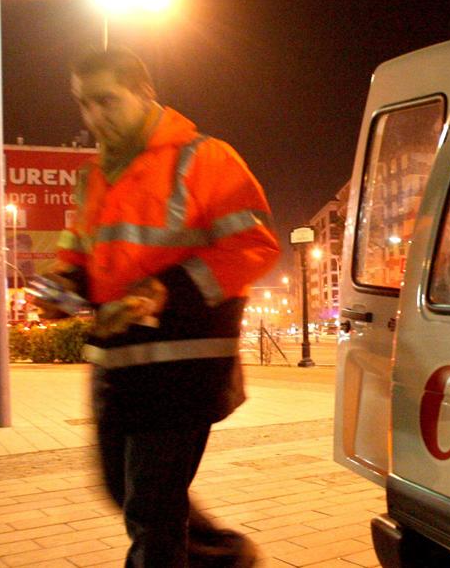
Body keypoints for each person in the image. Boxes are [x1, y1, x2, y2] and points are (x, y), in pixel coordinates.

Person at [43, 46, 280, 567]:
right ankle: (222, 558)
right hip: (116, 367)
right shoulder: (92, 176)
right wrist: (61, 289)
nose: (94, 117)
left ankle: (211, 557)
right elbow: (78, 258)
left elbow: (254, 247)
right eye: (84, 105)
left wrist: (163, 289)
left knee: (151, 510)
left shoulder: (205, 158)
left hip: (183, 367)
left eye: (107, 101)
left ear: (145, 92)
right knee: (121, 490)